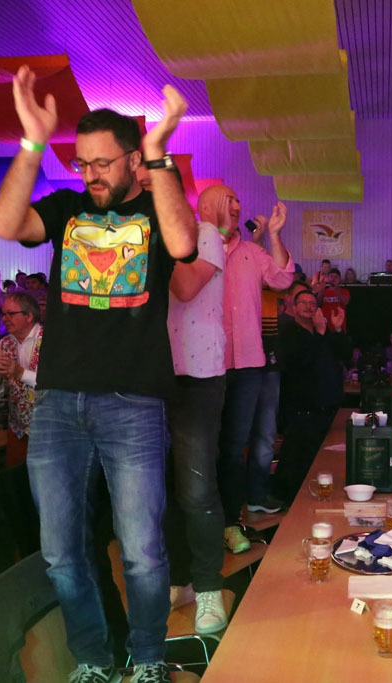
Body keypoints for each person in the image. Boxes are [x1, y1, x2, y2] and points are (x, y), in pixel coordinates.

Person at [0, 64, 197, 683]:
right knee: (60, 551)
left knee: (142, 550)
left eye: (103, 163)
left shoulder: (156, 204)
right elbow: (5, 224)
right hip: (57, 403)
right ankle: (93, 661)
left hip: (133, 403)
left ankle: (149, 659)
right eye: (82, 163)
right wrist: (33, 141)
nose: (91, 175)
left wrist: (159, 154)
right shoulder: (67, 209)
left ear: (132, 160)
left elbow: (183, 245)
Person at [165, 186, 230, 635]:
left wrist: (157, 238)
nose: (237, 207)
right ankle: (180, 579)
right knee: (165, 489)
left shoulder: (205, 232)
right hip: (157, 373)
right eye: (231, 199)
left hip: (197, 375)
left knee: (196, 488)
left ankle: (208, 587)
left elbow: (186, 288)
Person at [216, 183, 294, 553]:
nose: (236, 206)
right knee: (207, 448)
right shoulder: (195, 249)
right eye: (228, 200)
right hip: (206, 364)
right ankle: (205, 523)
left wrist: (274, 235)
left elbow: (282, 278)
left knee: (235, 447)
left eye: (237, 200)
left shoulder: (252, 252)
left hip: (248, 363)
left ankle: (232, 521)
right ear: (207, 208)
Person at [271, 290, 351, 503]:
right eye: (303, 303)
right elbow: (302, 361)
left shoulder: (321, 331)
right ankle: (289, 503)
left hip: (326, 408)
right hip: (301, 409)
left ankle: (318, 501)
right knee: (298, 461)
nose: (309, 306)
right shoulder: (289, 333)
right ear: (294, 307)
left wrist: (337, 329)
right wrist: (321, 333)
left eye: (313, 303)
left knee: (324, 462)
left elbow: (345, 353)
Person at [0, 291, 42, 468]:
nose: (4, 319)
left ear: (29, 316)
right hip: (18, 430)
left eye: (11, 314)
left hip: (49, 429)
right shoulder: (4, 344)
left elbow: (57, 381)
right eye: (3, 314)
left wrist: (20, 373)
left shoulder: (52, 340)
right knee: (17, 480)